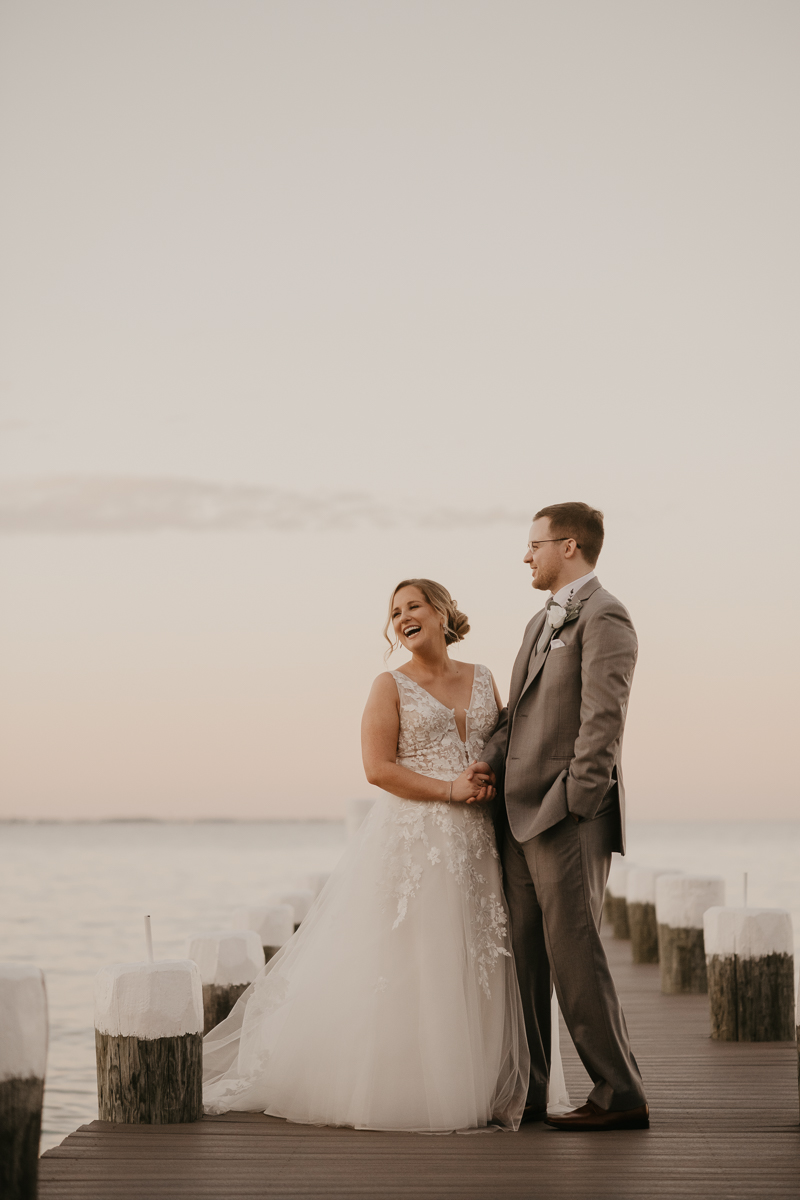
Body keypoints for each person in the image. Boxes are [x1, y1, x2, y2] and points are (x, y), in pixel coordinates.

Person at [203, 579, 567, 1132]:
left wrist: (487, 779)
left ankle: (485, 1083)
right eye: (395, 612)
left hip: (479, 842)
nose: (402, 618)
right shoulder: (389, 685)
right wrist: (449, 789)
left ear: (442, 612)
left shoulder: (485, 676)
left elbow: (501, 748)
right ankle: (415, 1087)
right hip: (416, 840)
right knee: (418, 959)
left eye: (413, 606)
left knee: (481, 958)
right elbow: (378, 769)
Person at [468, 502, 649, 1131]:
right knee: (525, 956)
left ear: (567, 546)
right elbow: (514, 718)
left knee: (575, 954)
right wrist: (487, 766)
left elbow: (604, 721)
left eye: (534, 545)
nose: (526, 556)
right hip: (514, 816)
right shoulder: (536, 622)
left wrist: (576, 802)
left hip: (566, 817)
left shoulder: (606, 615)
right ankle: (534, 1089)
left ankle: (618, 1090)